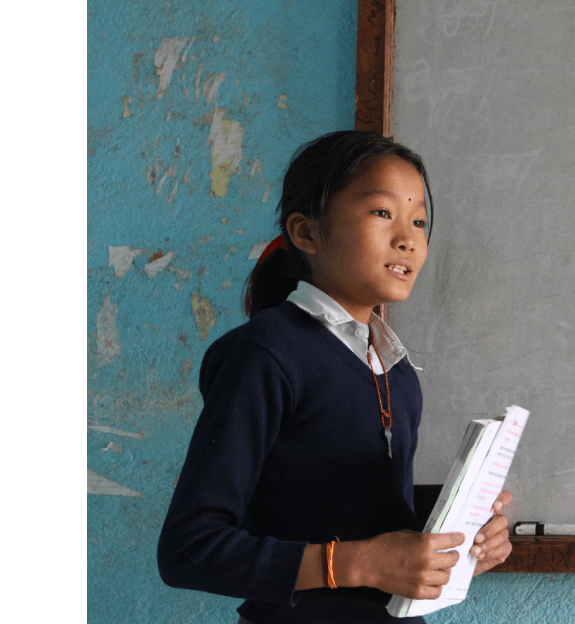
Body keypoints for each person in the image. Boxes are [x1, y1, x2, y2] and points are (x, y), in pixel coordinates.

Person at [157, 131, 513, 624]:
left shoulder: (399, 371)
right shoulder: (265, 354)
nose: (408, 237)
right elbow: (191, 549)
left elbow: (351, 507)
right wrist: (361, 563)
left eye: (419, 221)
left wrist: (466, 529)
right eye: (383, 213)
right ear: (306, 232)